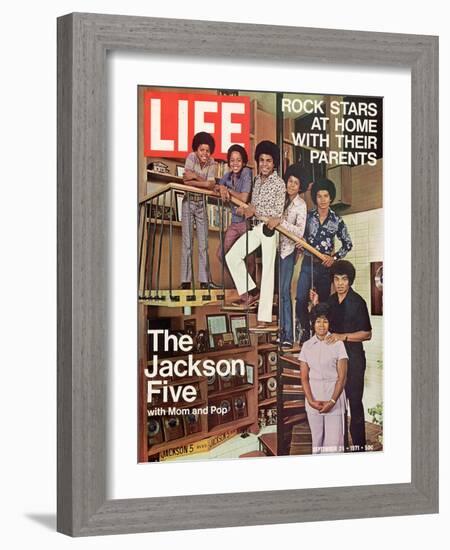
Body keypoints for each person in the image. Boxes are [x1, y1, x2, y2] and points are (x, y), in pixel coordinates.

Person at [310, 260, 372, 451]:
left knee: (354, 403)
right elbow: (320, 322)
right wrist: (315, 305)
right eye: (336, 279)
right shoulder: (329, 302)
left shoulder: (358, 302)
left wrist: (342, 336)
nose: (340, 283)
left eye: (344, 279)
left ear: (350, 280)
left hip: (354, 359)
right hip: (334, 362)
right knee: (336, 406)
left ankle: (360, 448)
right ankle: (341, 448)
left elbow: (367, 334)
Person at [225, 140, 285, 329]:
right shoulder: (257, 180)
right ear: (258, 161)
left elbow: (277, 212)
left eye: (268, 161)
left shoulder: (279, 183)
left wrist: (257, 212)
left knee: (267, 273)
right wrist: (248, 211)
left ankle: (264, 318)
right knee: (232, 256)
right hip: (256, 228)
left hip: (270, 229)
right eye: (261, 160)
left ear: (274, 163)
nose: (265, 164)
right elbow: (253, 206)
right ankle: (251, 291)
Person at [295, 178, 352, 343]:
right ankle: (306, 330)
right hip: (307, 263)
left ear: (331, 198)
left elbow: (348, 244)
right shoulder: (308, 217)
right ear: (315, 198)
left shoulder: (337, 220)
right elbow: (300, 236)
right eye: (319, 196)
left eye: (326, 196)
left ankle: (320, 337)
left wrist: (333, 258)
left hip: (325, 268)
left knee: (323, 305)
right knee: (300, 299)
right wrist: (300, 244)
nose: (322, 200)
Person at [265, 164, 307, 349]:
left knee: (284, 293)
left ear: (300, 187)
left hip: (287, 252)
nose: (291, 185)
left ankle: (288, 335)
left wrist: (281, 222)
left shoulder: (301, 205)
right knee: (276, 293)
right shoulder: (279, 198)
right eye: (290, 181)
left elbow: (299, 231)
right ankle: (281, 333)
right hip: (272, 248)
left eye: (295, 183)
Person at [299, 303, 348, 454]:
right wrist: (311, 400)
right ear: (313, 323)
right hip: (314, 400)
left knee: (334, 446)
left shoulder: (338, 344)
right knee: (317, 443)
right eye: (318, 321)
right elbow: (304, 378)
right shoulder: (307, 346)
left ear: (329, 323)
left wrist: (332, 401)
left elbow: (342, 378)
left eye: (325, 321)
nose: (321, 325)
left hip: (334, 399)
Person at [180, 132, 220, 290]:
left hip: (201, 204)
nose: (205, 153)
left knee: (203, 244)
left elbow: (211, 185)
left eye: (208, 150)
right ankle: (185, 282)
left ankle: (204, 281)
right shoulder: (191, 157)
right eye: (202, 149)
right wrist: (205, 182)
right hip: (188, 203)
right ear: (197, 150)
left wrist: (194, 177)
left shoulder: (213, 163)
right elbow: (185, 180)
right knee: (187, 244)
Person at [216, 144, 255, 279]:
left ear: (243, 162)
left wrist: (228, 191)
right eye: (232, 160)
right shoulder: (227, 176)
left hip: (246, 222)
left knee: (249, 258)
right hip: (234, 222)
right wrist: (222, 187)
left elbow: (244, 197)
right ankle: (241, 282)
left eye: (238, 160)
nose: (235, 163)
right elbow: (218, 185)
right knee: (222, 254)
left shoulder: (246, 172)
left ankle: (252, 290)